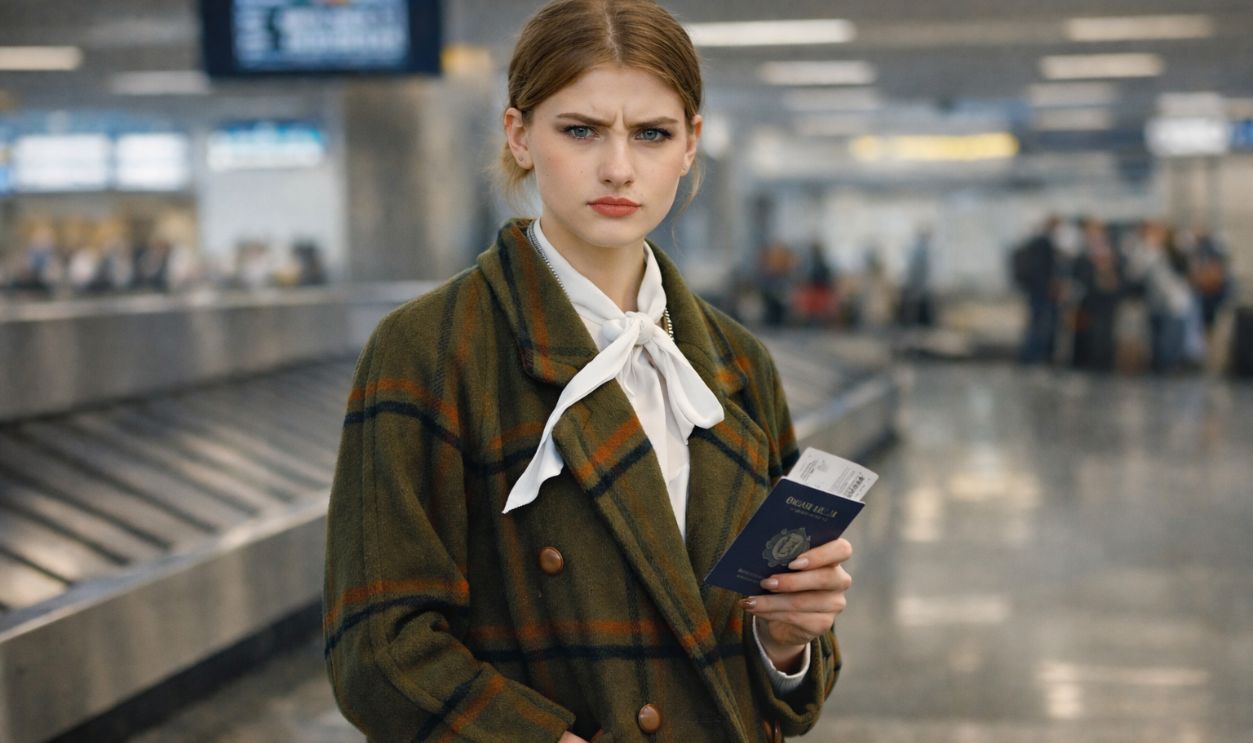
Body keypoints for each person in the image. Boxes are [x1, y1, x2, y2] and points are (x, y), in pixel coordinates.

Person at [322, 2, 852, 741]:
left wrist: (789, 639)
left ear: (690, 145)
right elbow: (378, 650)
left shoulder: (733, 363)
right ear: (520, 135)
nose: (618, 168)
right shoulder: (430, 349)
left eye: (652, 134)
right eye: (580, 130)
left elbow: (774, 672)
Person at [1012, 216, 1062, 365]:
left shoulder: (1036, 242)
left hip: (1035, 290)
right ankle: (1031, 357)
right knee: (1039, 324)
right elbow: (1044, 270)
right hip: (1041, 291)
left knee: (1035, 323)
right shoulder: (1044, 243)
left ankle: (1029, 356)